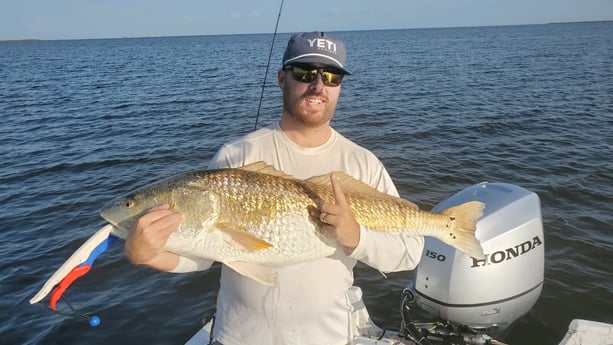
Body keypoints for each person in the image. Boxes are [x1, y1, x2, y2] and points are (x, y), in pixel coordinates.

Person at [125, 31, 425, 345]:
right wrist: (147, 254)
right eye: (305, 72)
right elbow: (205, 254)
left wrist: (357, 238)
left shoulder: (362, 163)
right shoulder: (237, 156)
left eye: (332, 76)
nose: (318, 86)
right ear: (282, 79)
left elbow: (409, 253)